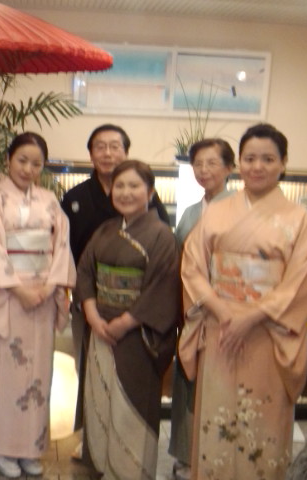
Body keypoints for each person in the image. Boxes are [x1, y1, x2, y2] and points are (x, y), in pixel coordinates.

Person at [180, 123, 307, 480]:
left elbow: (301, 281)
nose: (257, 166)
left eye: (268, 159)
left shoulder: (299, 220)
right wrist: (222, 309)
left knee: (264, 424)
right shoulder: (216, 212)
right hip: (220, 328)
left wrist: (250, 316)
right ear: (239, 163)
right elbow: (193, 266)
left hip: (268, 334)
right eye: (250, 158)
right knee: (217, 420)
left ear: (283, 163)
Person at [0, 132, 76, 478]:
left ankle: (31, 448)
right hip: (8, 297)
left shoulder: (49, 200)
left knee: (39, 374)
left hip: (43, 296)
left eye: (36, 164)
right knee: (7, 373)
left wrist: (49, 286)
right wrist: (18, 289)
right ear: (8, 159)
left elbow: (61, 245)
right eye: (22, 160)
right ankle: (4, 449)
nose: (28, 169)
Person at [59, 124, 170, 452]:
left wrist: (128, 319)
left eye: (115, 146)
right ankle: (93, 440)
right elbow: (74, 258)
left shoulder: (156, 222)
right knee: (92, 373)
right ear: (91, 153)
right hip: (92, 305)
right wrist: (89, 309)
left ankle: (127, 453)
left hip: (137, 317)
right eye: (100, 147)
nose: (107, 153)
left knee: (131, 383)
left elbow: (162, 271)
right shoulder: (79, 200)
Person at [74, 160, 180, 479]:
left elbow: (163, 286)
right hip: (100, 328)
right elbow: (85, 271)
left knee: (130, 403)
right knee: (100, 397)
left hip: (137, 335)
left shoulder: (162, 235)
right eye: (119, 186)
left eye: (134, 186)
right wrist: (92, 314)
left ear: (150, 191)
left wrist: (126, 322)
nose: (125, 192)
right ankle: (101, 465)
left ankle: (129, 471)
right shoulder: (105, 230)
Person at [169, 138, 235, 480]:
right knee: (188, 380)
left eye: (212, 163)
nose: (204, 170)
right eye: (198, 164)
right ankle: (187, 454)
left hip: (225, 310)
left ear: (229, 168)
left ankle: (215, 454)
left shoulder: (240, 209)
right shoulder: (191, 212)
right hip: (190, 309)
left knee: (220, 383)